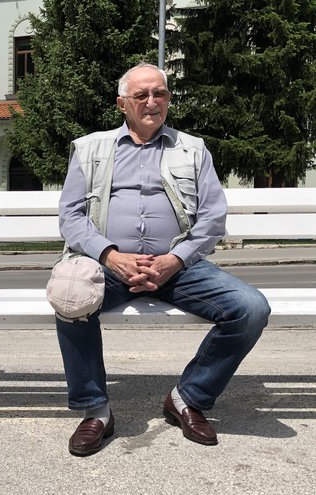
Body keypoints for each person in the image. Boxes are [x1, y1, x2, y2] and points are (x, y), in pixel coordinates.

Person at [56, 62, 270, 456]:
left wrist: (176, 259)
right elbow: (70, 217)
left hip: (177, 266)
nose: (152, 102)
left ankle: (188, 397)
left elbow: (212, 217)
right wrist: (110, 255)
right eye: (141, 95)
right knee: (71, 300)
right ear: (122, 103)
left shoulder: (192, 148)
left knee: (251, 308)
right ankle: (95, 410)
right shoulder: (90, 149)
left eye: (160, 94)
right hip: (109, 265)